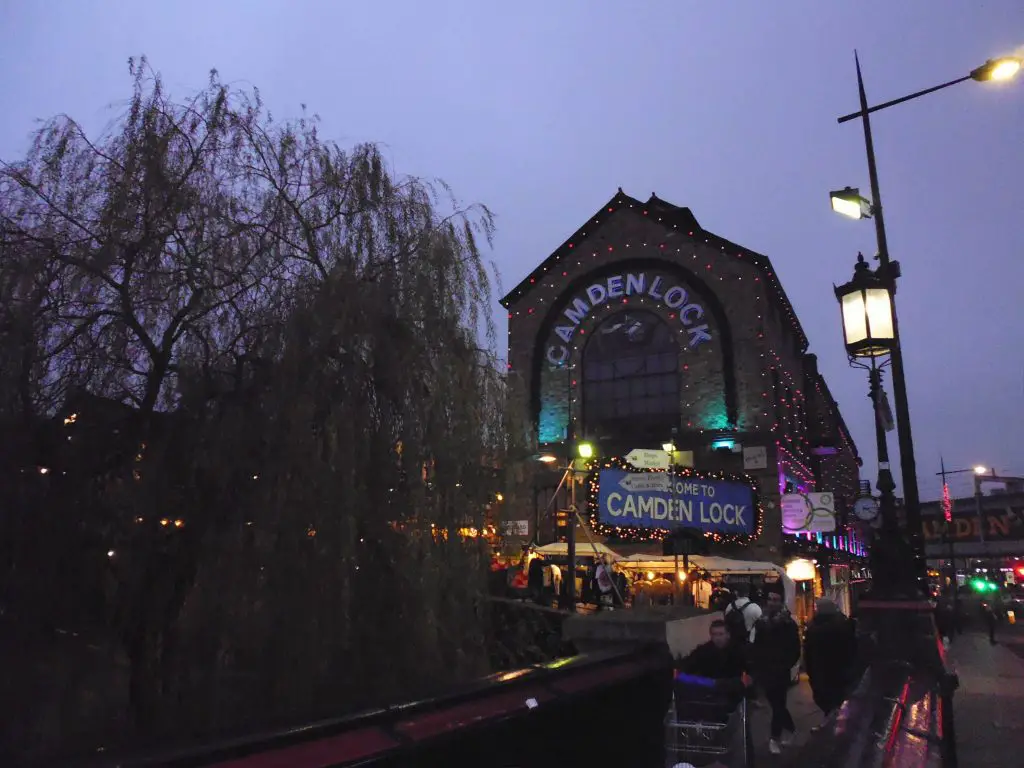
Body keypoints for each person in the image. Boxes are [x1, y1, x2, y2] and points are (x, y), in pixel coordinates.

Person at [751, 590, 801, 755]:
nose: (772, 602)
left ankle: (775, 737)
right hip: (765, 670)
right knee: (776, 704)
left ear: (781, 602)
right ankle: (791, 729)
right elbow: (756, 646)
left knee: (778, 705)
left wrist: (785, 664)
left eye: (776, 599)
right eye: (770, 599)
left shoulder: (788, 624)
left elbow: (795, 648)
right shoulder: (761, 623)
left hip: (780, 671)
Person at [803, 598, 857, 729]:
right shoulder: (843, 624)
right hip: (835, 671)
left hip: (824, 671)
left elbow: (808, 652)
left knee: (828, 698)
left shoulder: (814, 628)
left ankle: (833, 723)